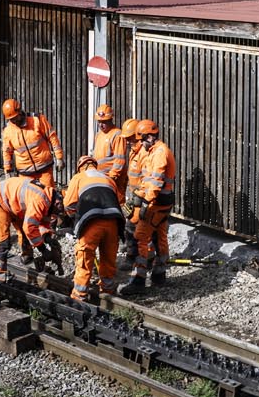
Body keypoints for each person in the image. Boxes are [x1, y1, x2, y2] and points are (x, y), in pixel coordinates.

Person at [122, 118, 177, 294]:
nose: (140, 144)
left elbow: (155, 182)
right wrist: (137, 197)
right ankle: (159, 274)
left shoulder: (160, 153)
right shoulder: (154, 151)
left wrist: (145, 202)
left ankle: (138, 280)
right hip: (161, 202)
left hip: (156, 204)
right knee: (160, 237)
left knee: (140, 237)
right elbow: (147, 181)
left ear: (150, 137)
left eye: (142, 139)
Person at [63, 154, 125, 304]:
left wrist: (75, 217)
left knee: (85, 258)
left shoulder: (78, 177)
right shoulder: (108, 179)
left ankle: (79, 295)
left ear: (81, 167)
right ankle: (107, 293)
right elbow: (120, 200)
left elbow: (68, 204)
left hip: (91, 222)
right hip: (113, 222)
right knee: (108, 258)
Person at [0, 170, 59, 281]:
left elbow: (39, 223)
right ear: (57, 204)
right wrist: (42, 249)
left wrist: (47, 237)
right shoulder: (40, 201)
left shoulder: (49, 197)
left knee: (24, 234)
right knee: (3, 242)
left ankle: (27, 258)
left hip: (14, 203)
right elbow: (29, 227)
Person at [0, 98, 62, 178]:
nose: (14, 121)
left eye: (15, 117)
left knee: (47, 187)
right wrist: (7, 171)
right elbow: (6, 151)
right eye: (11, 119)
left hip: (44, 169)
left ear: (19, 111)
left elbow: (52, 137)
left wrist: (59, 157)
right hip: (25, 173)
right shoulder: (7, 131)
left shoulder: (37, 120)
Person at [90, 104, 123, 174]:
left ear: (110, 120)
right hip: (99, 174)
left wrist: (113, 175)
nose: (101, 125)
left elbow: (119, 159)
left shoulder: (117, 134)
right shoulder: (98, 135)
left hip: (110, 176)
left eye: (104, 122)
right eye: (99, 122)